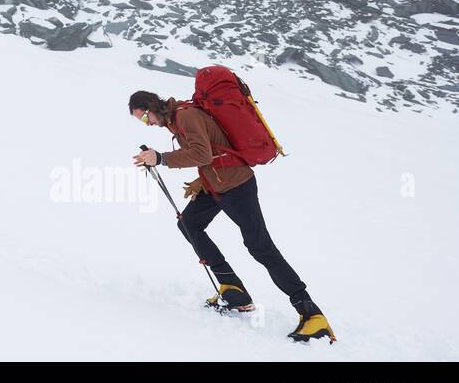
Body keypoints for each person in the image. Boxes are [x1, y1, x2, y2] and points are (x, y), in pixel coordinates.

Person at [129, 90, 334, 342]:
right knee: (189, 223)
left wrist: (161, 158)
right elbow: (212, 153)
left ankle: (312, 315)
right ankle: (233, 290)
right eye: (142, 121)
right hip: (215, 186)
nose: (147, 124)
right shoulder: (175, 120)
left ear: (151, 106)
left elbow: (202, 153)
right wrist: (200, 179)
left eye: (144, 117)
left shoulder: (186, 116)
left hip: (237, 187)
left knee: (260, 248)